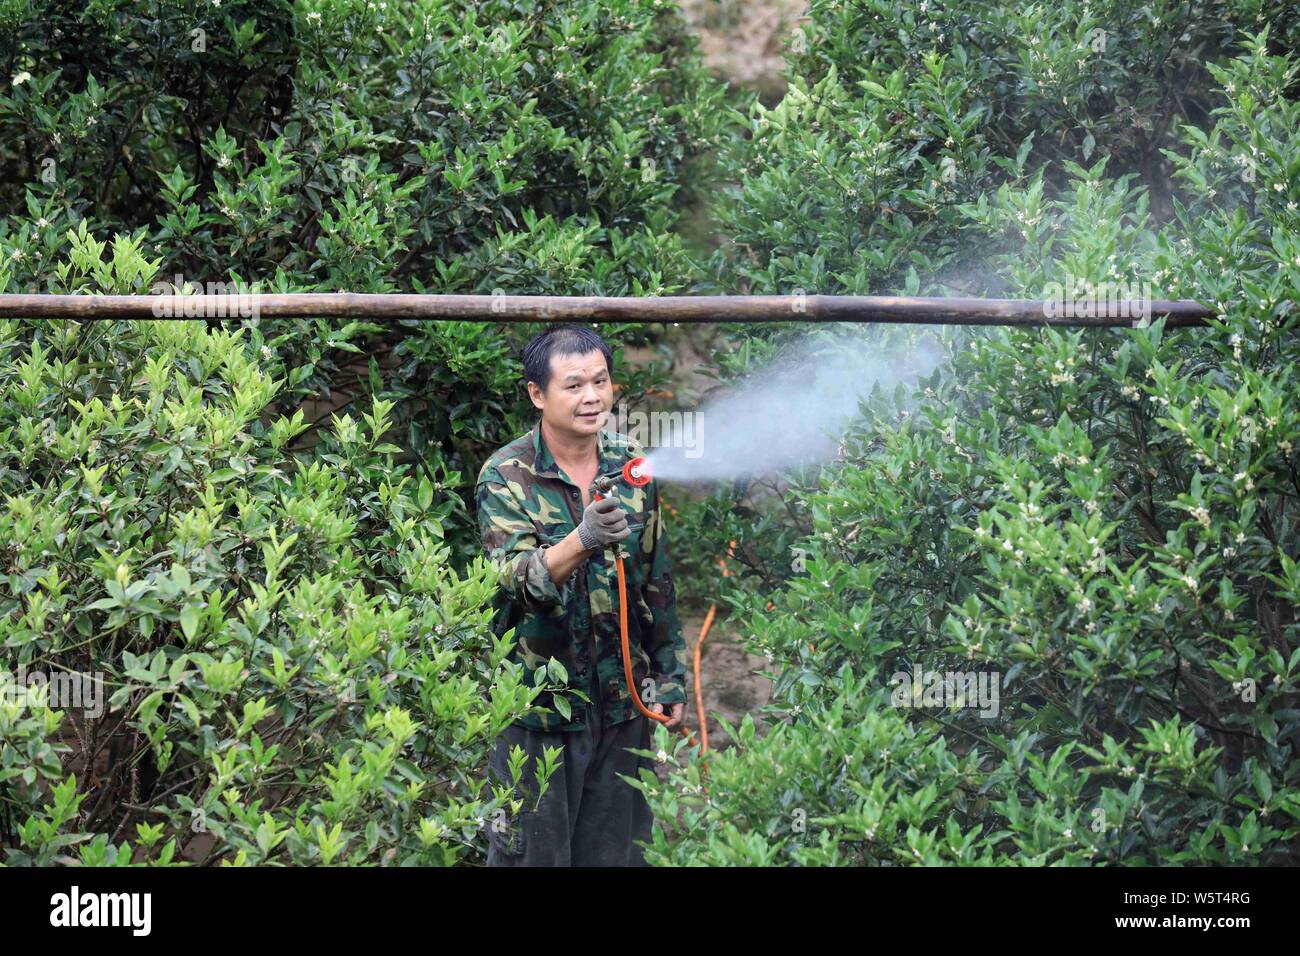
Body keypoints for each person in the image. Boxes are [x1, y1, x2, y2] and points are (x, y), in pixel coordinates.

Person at [475, 323, 687, 866]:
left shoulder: (632, 465)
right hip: (538, 712)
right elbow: (517, 583)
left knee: (618, 856)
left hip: (622, 706)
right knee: (532, 857)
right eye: (573, 385)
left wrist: (669, 673)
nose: (592, 397)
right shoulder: (506, 475)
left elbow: (656, 578)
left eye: (601, 381)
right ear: (537, 394)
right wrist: (582, 539)